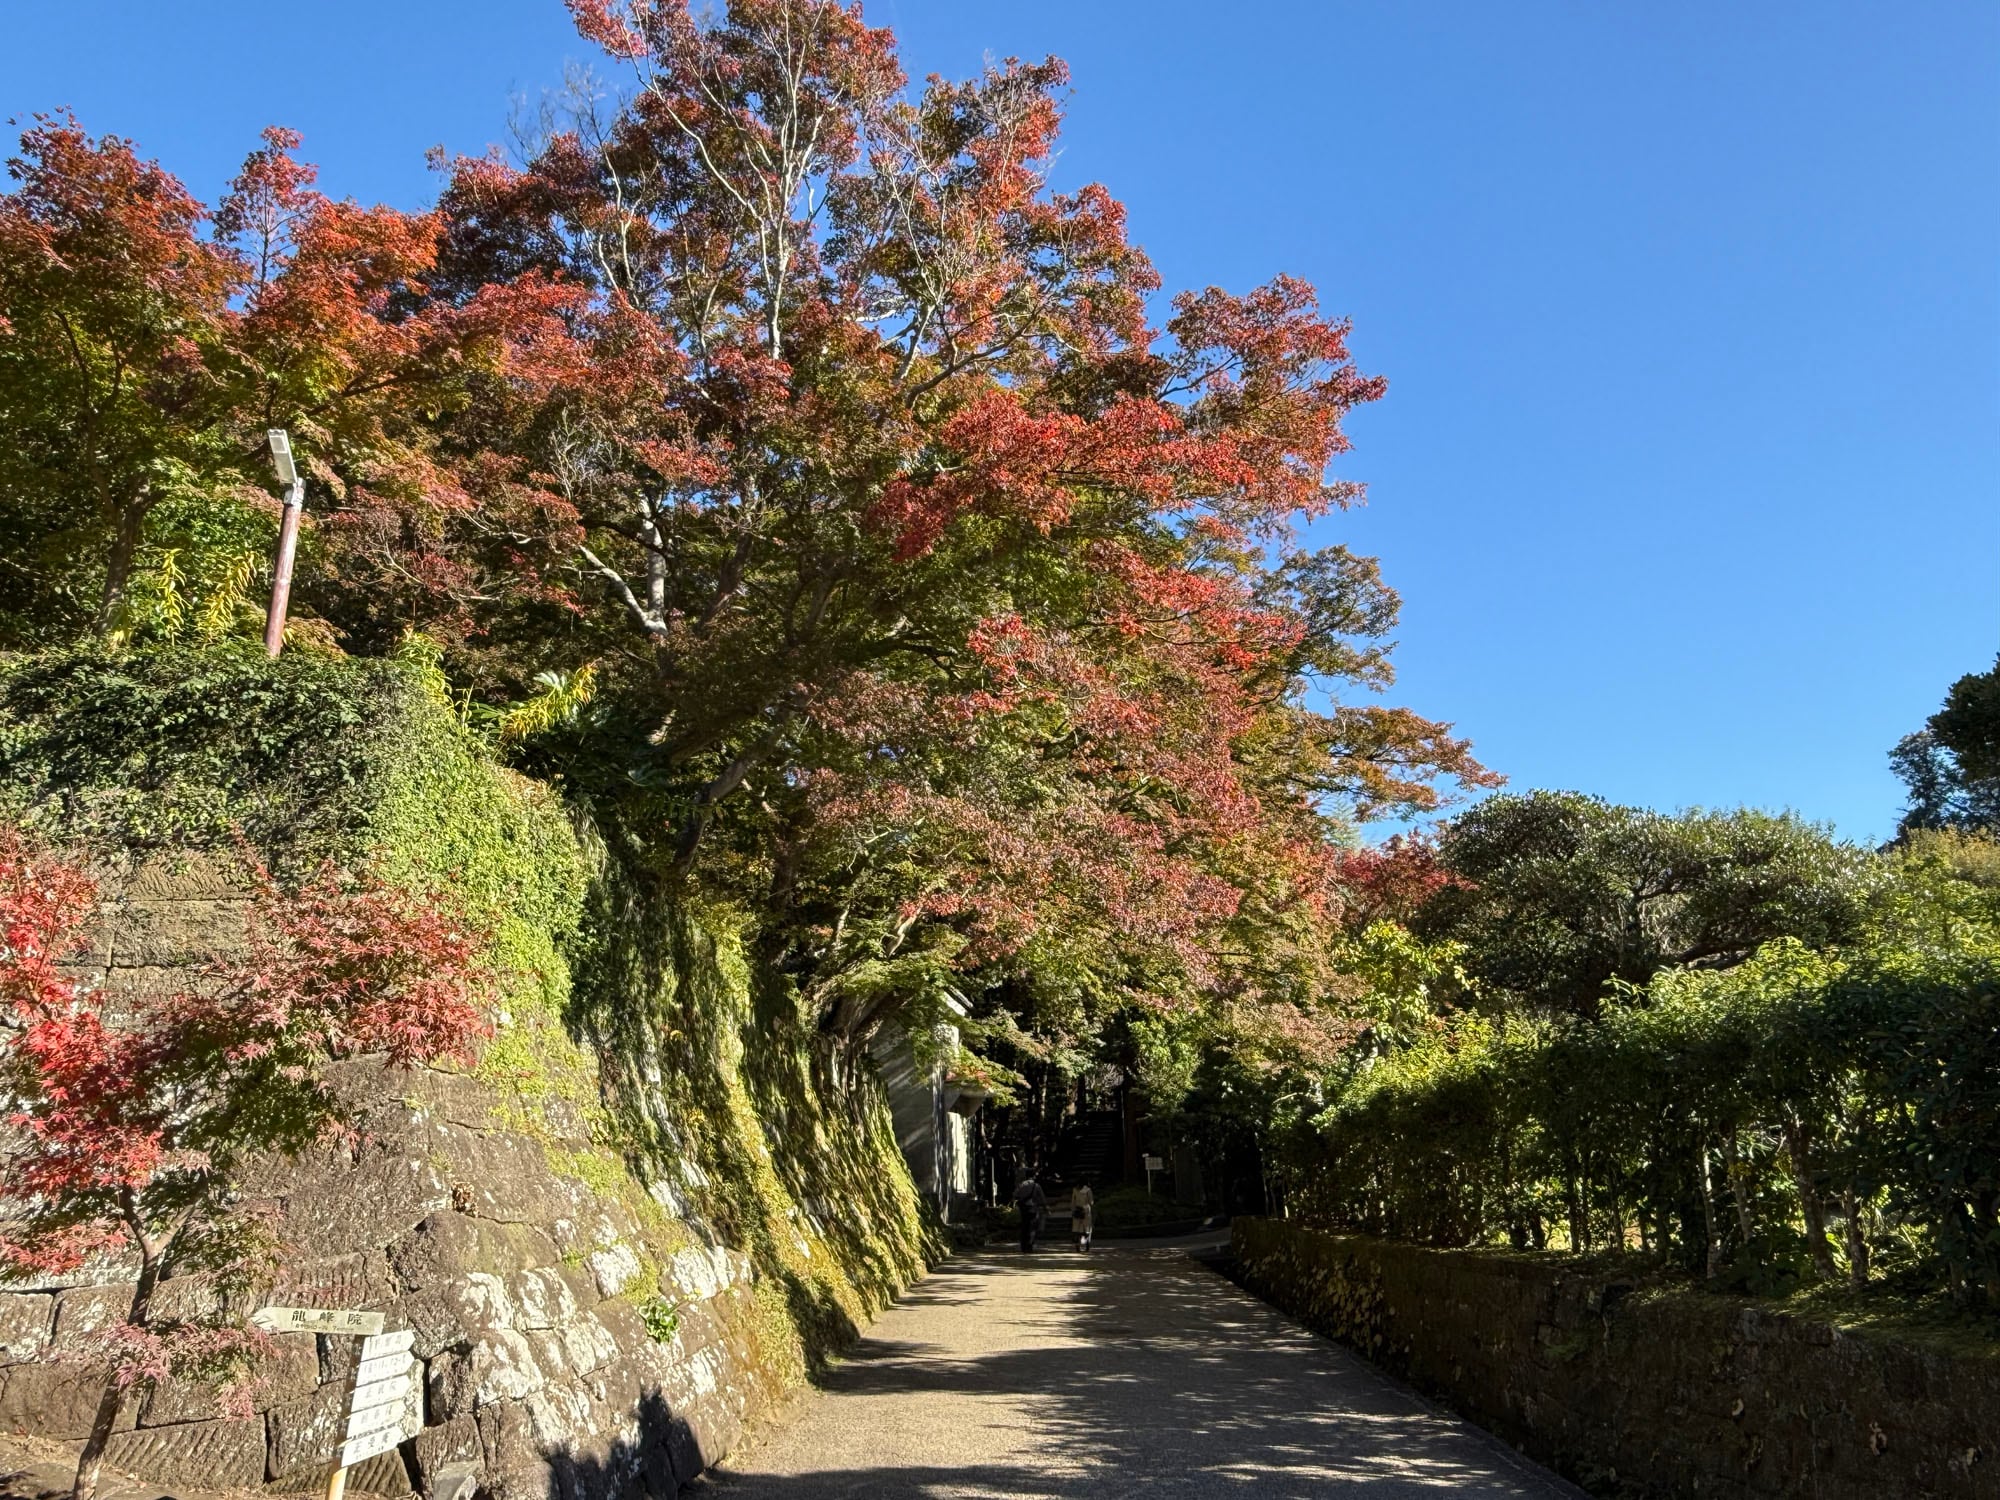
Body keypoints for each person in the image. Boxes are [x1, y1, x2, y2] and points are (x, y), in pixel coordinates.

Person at [1012, 1173, 1047, 1253]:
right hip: (1033, 1209)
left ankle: (1023, 1246)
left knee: (1024, 1227)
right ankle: (1029, 1245)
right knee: (1032, 1228)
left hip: (1023, 1209)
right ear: (1033, 1176)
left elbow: (1015, 1195)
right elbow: (1042, 1198)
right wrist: (1046, 1208)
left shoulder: (1021, 1185)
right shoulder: (1036, 1186)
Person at [1070, 1181, 1095, 1252]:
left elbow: (1073, 1201)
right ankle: (1086, 1242)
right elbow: (1091, 1202)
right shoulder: (1088, 1190)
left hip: (1077, 1209)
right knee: (1087, 1228)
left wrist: (1073, 1209)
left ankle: (1077, 1244)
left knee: (1076, 1228)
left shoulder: (1075, 1190)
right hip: (1086, 1210)